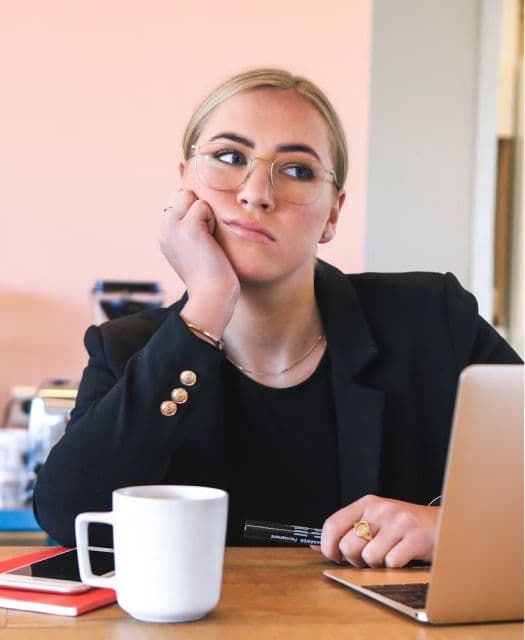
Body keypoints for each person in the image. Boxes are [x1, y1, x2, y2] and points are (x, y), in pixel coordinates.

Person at [33, 68, 521, 568]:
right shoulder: (125, 349)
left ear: (333, 213)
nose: (256, 193)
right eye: (229, 158)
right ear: (184, 184)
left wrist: (453, 529)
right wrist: (206, 306)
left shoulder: (432, 319)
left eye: (297, 170)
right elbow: (69, 517)